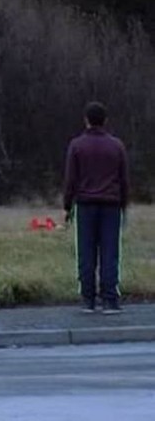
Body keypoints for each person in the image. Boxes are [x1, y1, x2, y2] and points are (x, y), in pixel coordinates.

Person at [63, 102, 130, 314]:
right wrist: (124, 204)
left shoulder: (77, 145)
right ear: (105, 121)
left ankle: (88, 299)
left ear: (86, 120)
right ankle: (110, 299)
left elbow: (70, 179)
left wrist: (67, 205)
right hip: (111, 205)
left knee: (86, 253)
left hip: (85, 205)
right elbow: (124, 179)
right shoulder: (117, 146)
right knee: (110, 253)